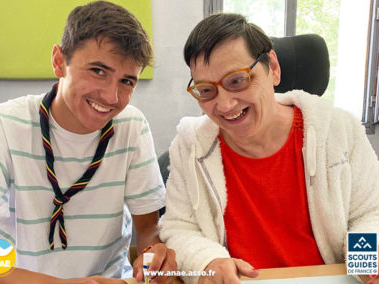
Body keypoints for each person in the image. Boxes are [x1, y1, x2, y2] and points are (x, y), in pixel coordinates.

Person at [159, 13, 379, 284]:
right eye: (206, 91)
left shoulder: (338, 131)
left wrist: (366, 264)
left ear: (273, 68)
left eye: (237, 81)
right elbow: (179, 226)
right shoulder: (191, 146)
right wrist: (208, 261)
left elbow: (370, 213)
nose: (225, 105)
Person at [0, 1, 176, 283]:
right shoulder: (2, 124)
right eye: (98, 71)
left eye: (127, 82)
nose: (111, 97)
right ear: (59, 62)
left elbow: (148, 232)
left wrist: (154, 254)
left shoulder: (131, 127)